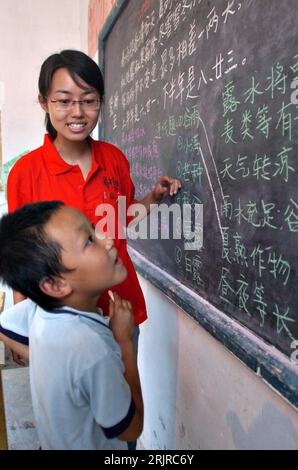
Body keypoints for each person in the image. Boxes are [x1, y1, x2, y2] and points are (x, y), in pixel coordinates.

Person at [4, 49, 181, 365]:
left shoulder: (113, 159)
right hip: (59, 319)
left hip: (118, 309)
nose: (77, 112)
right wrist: (24, 326)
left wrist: (154, 198)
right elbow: (22, 256)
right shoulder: (26, 172)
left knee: (123, 403)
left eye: (88, 100)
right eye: (64, 100)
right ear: (44, 102)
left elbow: (119, 220)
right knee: (74, 411)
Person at [0, 201, 144, 450]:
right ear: (55, 285)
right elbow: (131, 428)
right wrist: (124, 342)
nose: (107, 239)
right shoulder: (92, 349)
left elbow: (4, 324)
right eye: (89, 240)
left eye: (94, 229)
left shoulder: (39, 309)